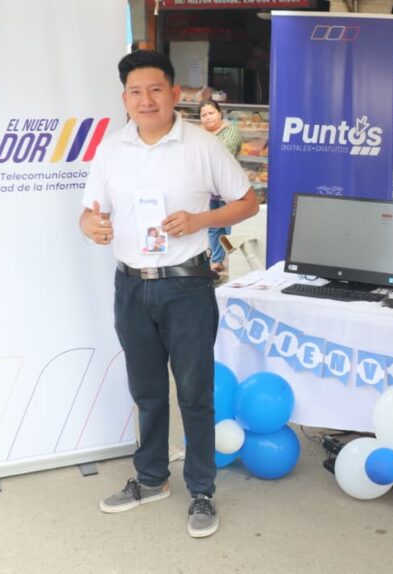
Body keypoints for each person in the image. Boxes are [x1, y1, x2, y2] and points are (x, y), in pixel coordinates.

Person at [79, 50, 260, 538]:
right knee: (147, 392)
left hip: (186, 286)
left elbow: (247, 202)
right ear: (125, 99)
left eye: (156, 90)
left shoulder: (201, 145)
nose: (146, 100)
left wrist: (200, 220)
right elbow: (88, 212)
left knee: (195, 394)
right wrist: (91, 226)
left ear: (175, 93)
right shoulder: (111, 149)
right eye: (135, 92)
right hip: (130, 285)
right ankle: (151, 478)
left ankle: (201, 488)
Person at [198, 99, 243, 273]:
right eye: (204, 115)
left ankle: (235, 261)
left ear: (220, 113)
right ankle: (216, 261)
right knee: (213, 226)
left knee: (230, 227)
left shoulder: (231, 130)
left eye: (211, 113)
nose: (208, 117)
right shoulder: (199, 134)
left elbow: (224, 151)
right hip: (208, 190)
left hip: (228, 189)